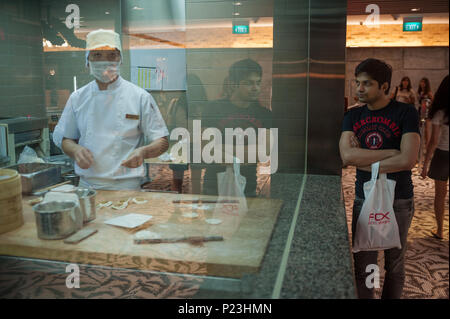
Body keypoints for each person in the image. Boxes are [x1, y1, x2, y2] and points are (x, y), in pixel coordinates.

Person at [340, 58, 420, 299]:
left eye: (367, 83)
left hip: (399, 198)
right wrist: (390, 152)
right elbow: (346, 156)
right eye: (357, 83)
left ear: (384, 86)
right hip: (364, 196)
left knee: (394, 264)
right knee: (364, 262)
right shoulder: (352, 116)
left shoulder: (405, 113)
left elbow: (408, 160)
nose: (359, 89)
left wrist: (364, 158)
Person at [53, 29, 169, 190]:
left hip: (127, 187)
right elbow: (66, 139)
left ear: (120, 59)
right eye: (97, 55)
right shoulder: (77, 98)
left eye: (111, 55)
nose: (104, 61)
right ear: (87, 61)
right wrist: (75, 150)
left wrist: (143, 152)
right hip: (88, 187)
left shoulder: (139, 96)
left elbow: (162, 141)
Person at [201, 58, 272, 197]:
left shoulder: (265, 114)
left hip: (247, 186)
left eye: (258, 82)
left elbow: (263, 153)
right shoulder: (213, 108)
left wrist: (221, 149)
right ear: (234, 84)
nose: (255, 88)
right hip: (214, 187)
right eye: (248, 83)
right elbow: (208, 151)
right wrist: (248, 154)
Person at [420, 75, 449, 240]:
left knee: (440, 194)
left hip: (443, 154)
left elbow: (433, 141)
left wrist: (425, 164)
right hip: (443, 154)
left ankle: (440, 230)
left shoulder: (440, 112)